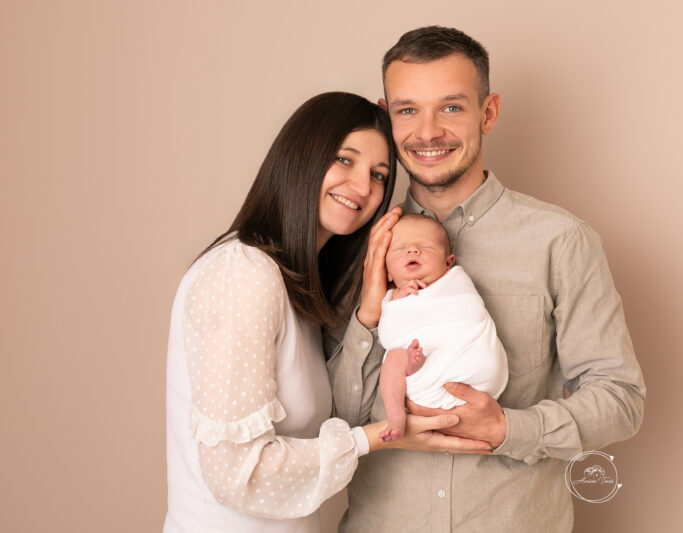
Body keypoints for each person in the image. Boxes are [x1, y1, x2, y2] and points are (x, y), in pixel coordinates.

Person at [326, 28, 647, 532]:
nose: (427, 132)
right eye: (408, 110)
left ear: (489, 112)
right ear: (388, 116)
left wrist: (510, 429)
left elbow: (620, 397)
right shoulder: (353, 244)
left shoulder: (561, 240)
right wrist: (368, 314)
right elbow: (335, 416)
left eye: (451, 107)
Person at [163, 92, 491, 533]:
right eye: (344, 160)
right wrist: (382, 437)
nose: (362, 187)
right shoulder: (243, 274)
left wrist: (371, 312)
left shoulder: (294, 286)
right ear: (301, 157)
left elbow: (343, 410)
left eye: (378, 175)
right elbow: (237, 472)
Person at [377, 213, 508, 442]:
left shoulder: (455, 283)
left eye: (425, 246)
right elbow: (390, 335)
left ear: (448, 262)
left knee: (396, 357)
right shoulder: (391, 301)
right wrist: (398, 301)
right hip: (425, 382)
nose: (412, 251)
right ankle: (396, 413)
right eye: (400, 249)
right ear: (387, 271)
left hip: (470, 360)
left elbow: (470, 312)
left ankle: (412, 364)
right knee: (394, 357)